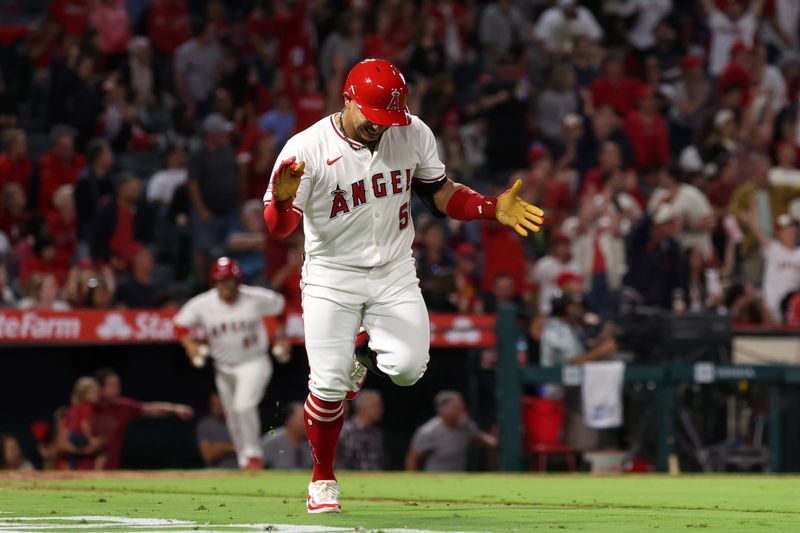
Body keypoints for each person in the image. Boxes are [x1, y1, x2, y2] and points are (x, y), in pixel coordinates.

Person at [263, 58, 543, 513]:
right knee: (329, 384)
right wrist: (280, 197)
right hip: (332, 276)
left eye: (390, 118)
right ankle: (322, 480)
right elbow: (278, 229)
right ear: (348, 100)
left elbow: (439, 193)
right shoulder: (306, 148)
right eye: (375, 117)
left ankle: (361, 351)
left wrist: (490, 208)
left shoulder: (412, 131)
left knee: (410, 368)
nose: (382, 127)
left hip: (393, 269)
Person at [174, 257, 285, 469]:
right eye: (221, 280)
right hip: (223, 367)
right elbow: (179, 324)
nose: (226, 284)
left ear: (238, 281)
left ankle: (253, 455)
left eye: (230, 280)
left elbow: (281, 307)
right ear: (214, 282)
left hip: (254, 361)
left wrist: (282, 335)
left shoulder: (255, 297)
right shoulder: (203, 304)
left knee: (244, 405)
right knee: (232, 414)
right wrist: (189, 345)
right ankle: (245, 460)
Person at [540, 293, 619, 450]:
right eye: (575, 306)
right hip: (558, 391)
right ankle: (582, 453)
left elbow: (583, 351)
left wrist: (602, 339)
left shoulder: (572, 327)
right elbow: (572, 361)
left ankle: (592, 451)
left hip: (574, 388)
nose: (580, 309)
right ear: (566, 308)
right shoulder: (556, 328)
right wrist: (601, 352)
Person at [92, 368, 194, 470]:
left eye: (117, 385)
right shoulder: (85, 407)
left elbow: (149, 409)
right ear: (99, 388)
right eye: (112, 386)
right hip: (82, 469)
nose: (117, 390)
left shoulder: (122, 407)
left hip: (110, 470)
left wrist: (175, 408)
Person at [405, 390, 496, 472]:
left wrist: (495, 437)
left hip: (459, 480)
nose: (463, 412)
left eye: (463, 408)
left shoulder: (466, 426)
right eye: (457, 408)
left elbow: (485, 440)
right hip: (435, 481)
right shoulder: (429, 431)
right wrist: (413, 480)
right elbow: (412, 458)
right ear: (444, 410)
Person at [740, 212, 800, 323]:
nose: (791, 232)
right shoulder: (774, 248)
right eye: (787, 230)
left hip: (793, 305)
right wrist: (752, 215)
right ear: (779, 233)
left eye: (793, 229)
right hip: (771, 306)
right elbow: (757, 232)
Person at [58, 376, 106, 470]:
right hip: (77, 435)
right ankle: (99, 473)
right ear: (84, 394)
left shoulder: (74, 408)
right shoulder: (87, 406)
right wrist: (90, 439)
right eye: (94, 392)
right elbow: (84, 424)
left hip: (72, 437)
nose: (97, 395)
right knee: (103, 452)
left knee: (72, 460)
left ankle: (70, 471)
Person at [336, 390, 385, 471]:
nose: (380, 410)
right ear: (363, 407)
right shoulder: (345, 431)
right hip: (349, 480)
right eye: (376, 406)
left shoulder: (377, 433)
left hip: (375, 480)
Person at [261, 402, 312, 470]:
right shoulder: (272, 441)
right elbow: (256, 469)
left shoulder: (311, 442)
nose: (306, 422)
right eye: (302, 418)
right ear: (289, 420)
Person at [196, 392, 237, 468]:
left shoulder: (239, 423)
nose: (217, 408)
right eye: (214, 404)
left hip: (240, 472)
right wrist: (231, 447)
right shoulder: (205, 425)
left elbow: (247, 449)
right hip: (214, 474)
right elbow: (208, 456)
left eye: (220, 404)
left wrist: (217, 447)